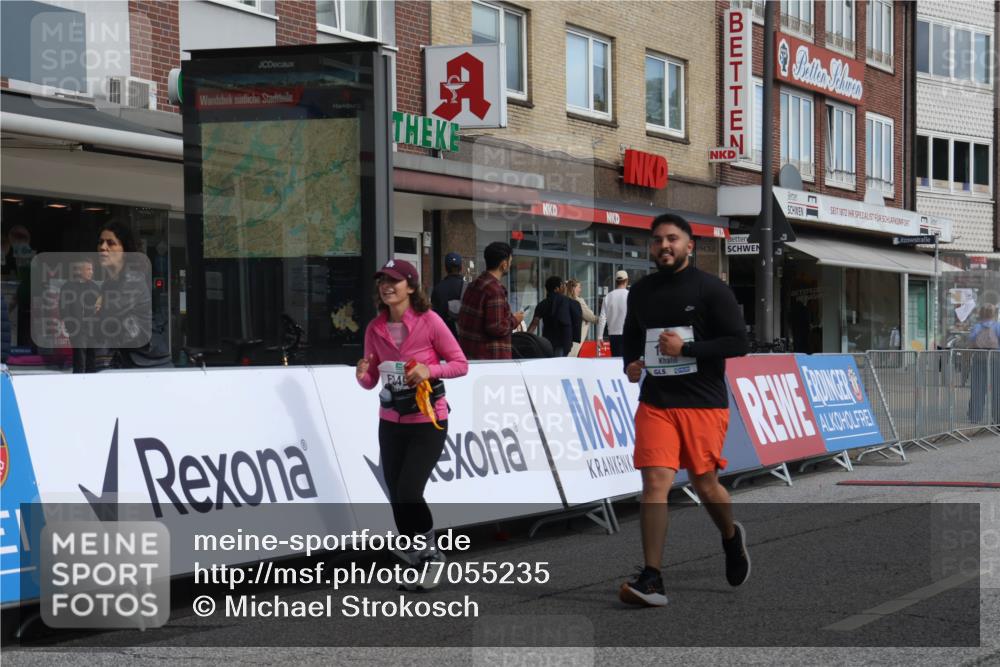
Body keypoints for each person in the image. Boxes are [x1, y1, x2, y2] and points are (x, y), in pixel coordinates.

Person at [619, 213, 750, 607]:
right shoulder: (641, 292)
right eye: (657, 240)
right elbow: (631, 339)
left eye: (672, 239)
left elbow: (738, 343)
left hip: (702, 402)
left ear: (689, 245)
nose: (664, 246)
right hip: (657, 402)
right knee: (654, 483)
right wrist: (631, 365)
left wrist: (687, 349)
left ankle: (730, 536)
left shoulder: (711, 289)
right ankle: (652, 578)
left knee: (705, 483)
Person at [355, 259, 469, 589]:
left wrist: (429, 370)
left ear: (411, 286)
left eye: (393, 281)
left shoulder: (429, 321)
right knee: (396, 493)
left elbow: (460, 364)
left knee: (409, 490)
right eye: (382, 281)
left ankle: (431, 553)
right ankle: (418, 557)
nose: (386, 286)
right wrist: (362, 375)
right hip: (391, 419)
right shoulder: (374, 328)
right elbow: (371, 379)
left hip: (428, 418)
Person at [94, 222, 172, 370]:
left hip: (149, 364)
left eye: (111, 243)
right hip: (126, 362)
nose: (103, 247)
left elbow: (108, 314)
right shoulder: (108, 283)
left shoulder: (134, 279)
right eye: (100, 242)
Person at [457, 242, 524, 360]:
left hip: (470, 354)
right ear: (504, 264)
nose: (510, 265)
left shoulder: (474, 284)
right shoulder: (494, 290)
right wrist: (515, 320)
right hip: (490, 359)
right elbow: (496, 327)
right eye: (510, 261)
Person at [59, 257, 100, 373]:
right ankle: (78, 381)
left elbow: (100, 307)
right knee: (80, 360)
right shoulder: (68, 287)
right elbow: (63, 309)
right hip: (77, 329)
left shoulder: (94, 287)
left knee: (92, 360)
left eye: (92, 269)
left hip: (92, 329)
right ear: (79, 271)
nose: (91, 272)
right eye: (88, 269)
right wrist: (71, 325)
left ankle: (91, 381)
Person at [527, 276, 579, 358]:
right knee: (560, 363)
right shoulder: (568, 302)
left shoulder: (542, 304)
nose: (564, 287)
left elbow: (534, 324)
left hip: (547, 342)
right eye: (562, 285)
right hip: (564, 341)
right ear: (556, 289)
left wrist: (526, 338)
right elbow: (576, 319)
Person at [967, 303, 1000, 424]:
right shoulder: (997, 326)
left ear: (981, 313)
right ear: (994, 314)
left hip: (979, 359)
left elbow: (971, 341)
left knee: (977, 388)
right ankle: (997, 417)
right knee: (997, 389)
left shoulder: (977, 326)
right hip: (996, 359)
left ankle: (975, 416)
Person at [430, 252, 465, 339]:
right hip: (464, 337)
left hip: (443, 337)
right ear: (461, 268)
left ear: (445, 268)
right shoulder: (469, 287)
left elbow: (434, 316)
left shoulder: (438, 288)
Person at [598, 270, 630, 357]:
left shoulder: (608, 296)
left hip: (613, 335)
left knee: (616, 360)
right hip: (628, 333)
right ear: (626, 280)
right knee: (628, 361)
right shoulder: (630, 295)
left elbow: (602, 317)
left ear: (616, 281)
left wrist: (600, 336)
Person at [566, 278, 597, 357]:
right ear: (573, 288)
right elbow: (589, 316)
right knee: (572, 357)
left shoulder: (565, 300)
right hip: (576, 337)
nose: (580, 290)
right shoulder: (578, 301)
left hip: (568, 336)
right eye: (579, 287)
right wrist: (602, 320)